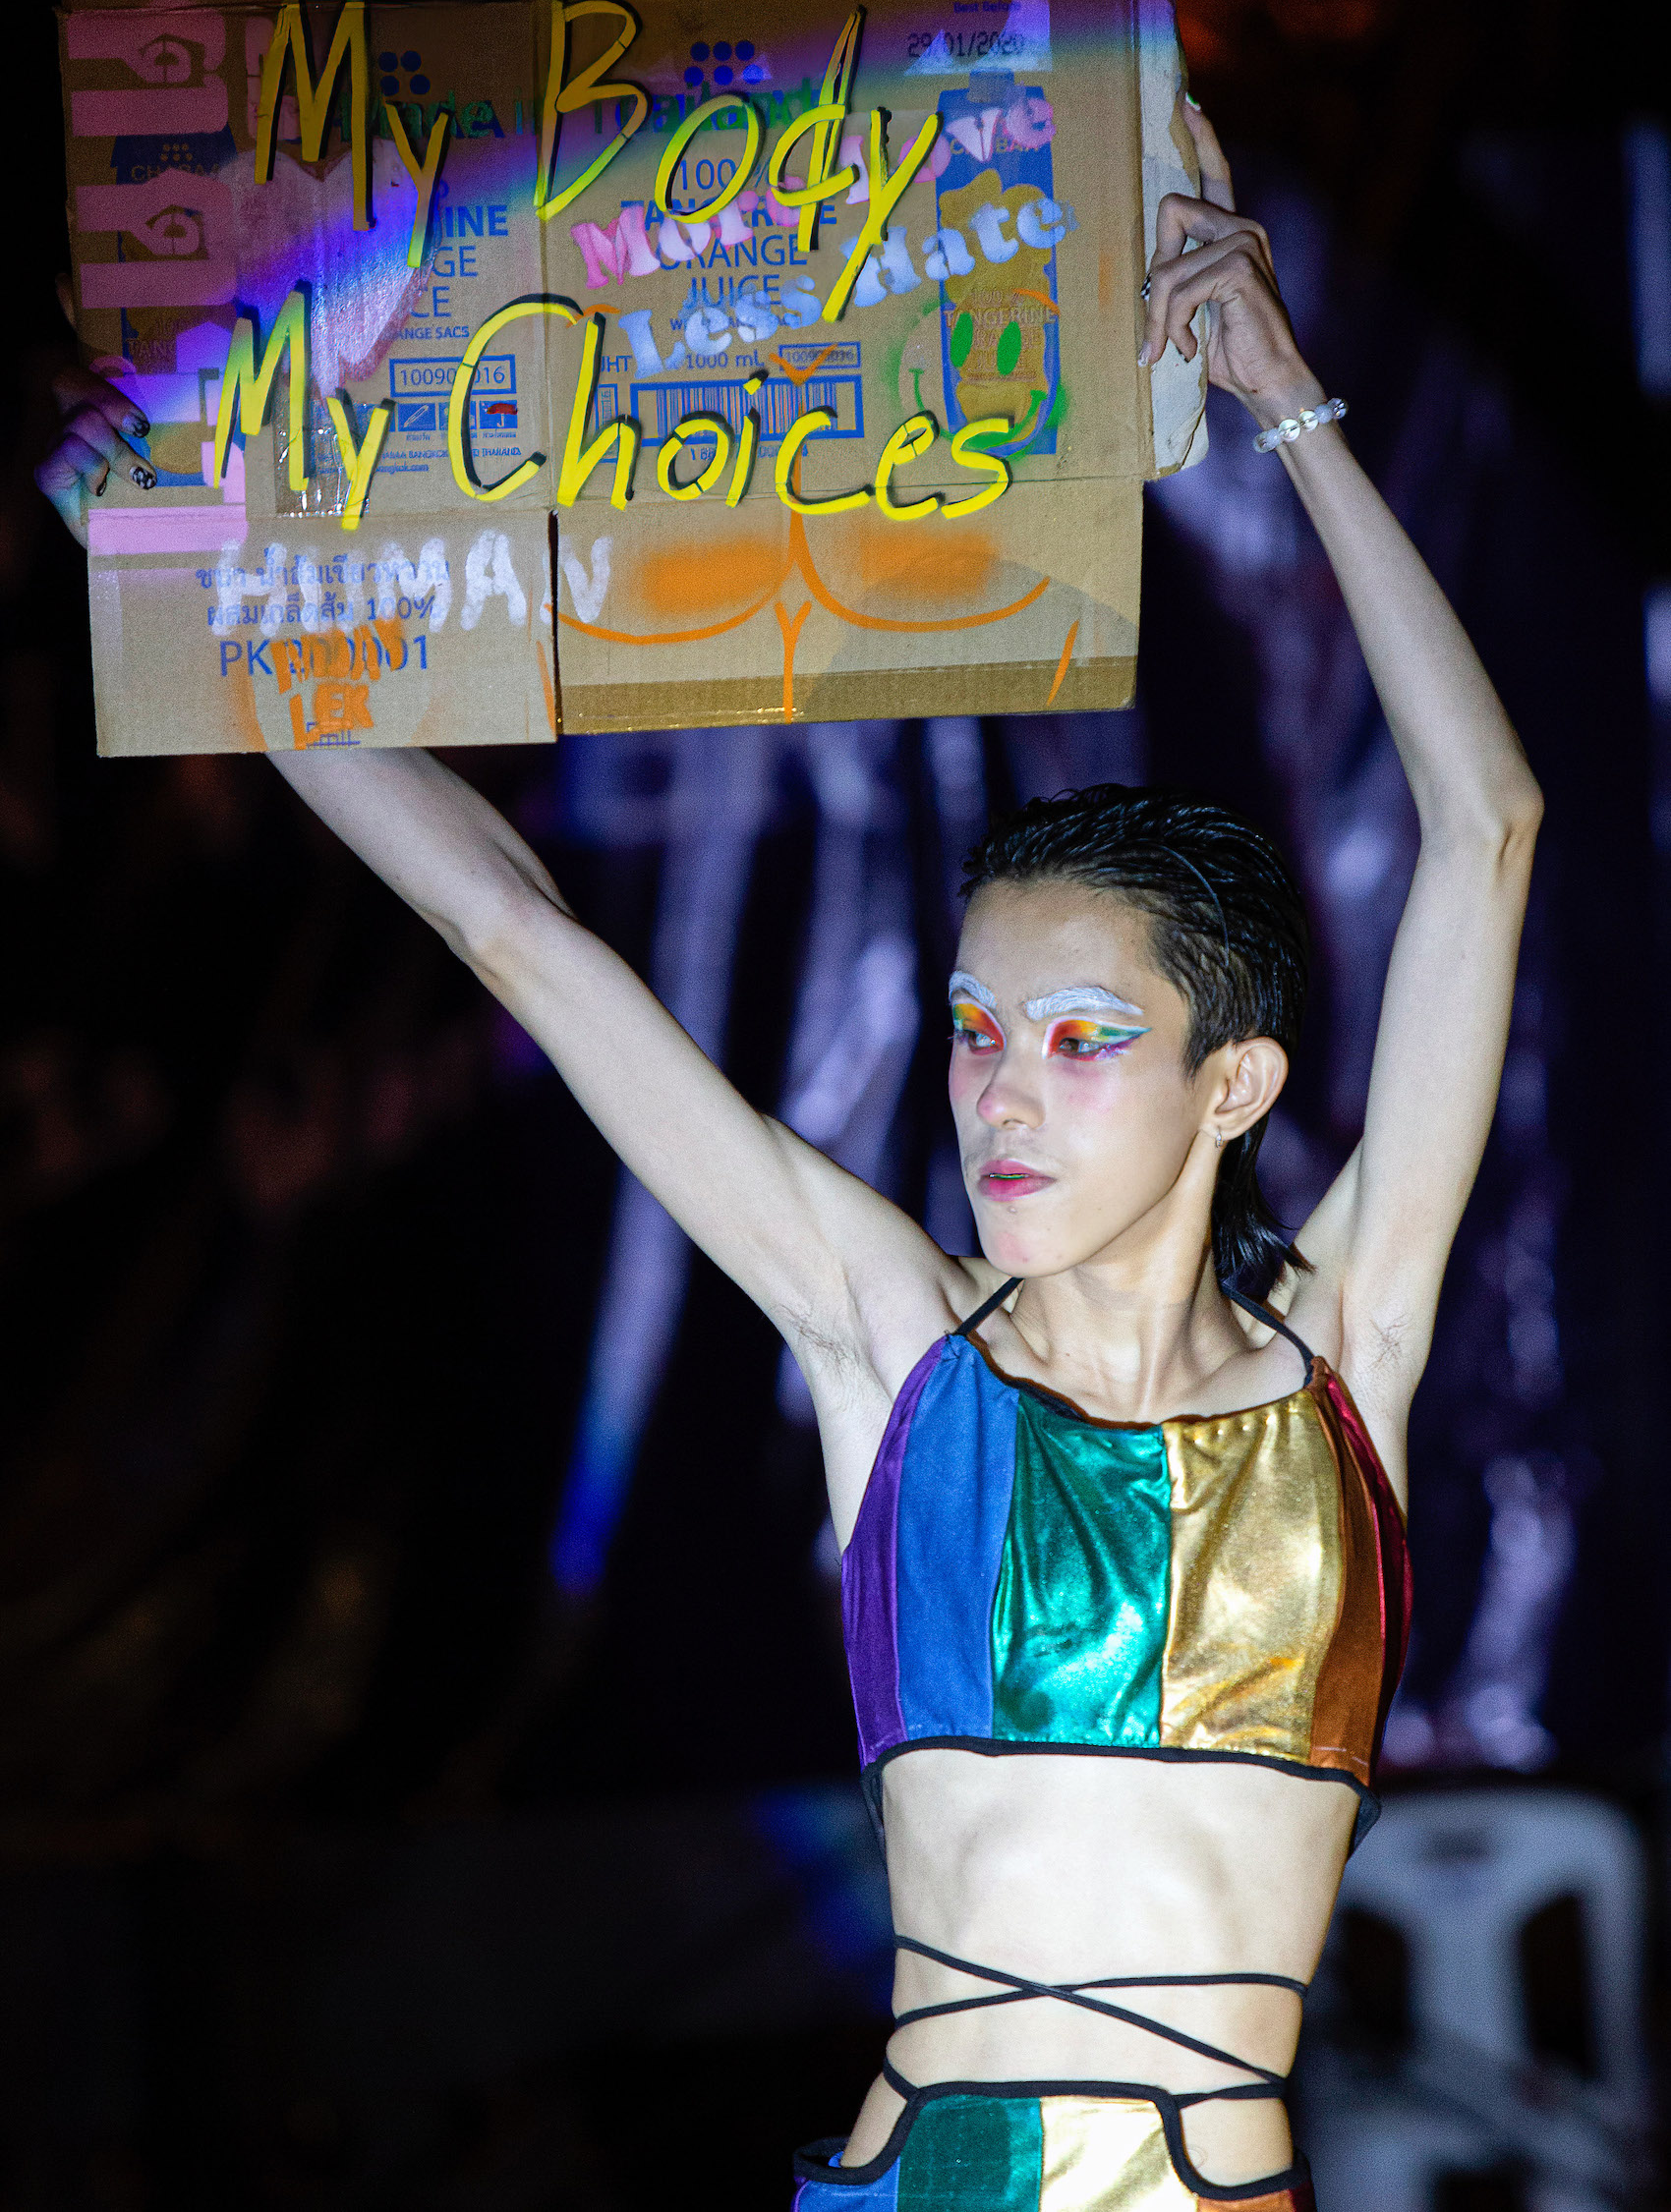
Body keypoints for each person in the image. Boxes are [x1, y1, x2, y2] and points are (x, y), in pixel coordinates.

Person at [38, 106, 1539, 2209]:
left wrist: (1294, 415)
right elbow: (519, 940)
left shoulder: (1342, 1365)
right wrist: (185, 565)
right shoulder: (892, 1341)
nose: (1001, 1091)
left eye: (1083, 1038)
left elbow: (1485, 830)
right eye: (974, 1033)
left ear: (1233, 1082)